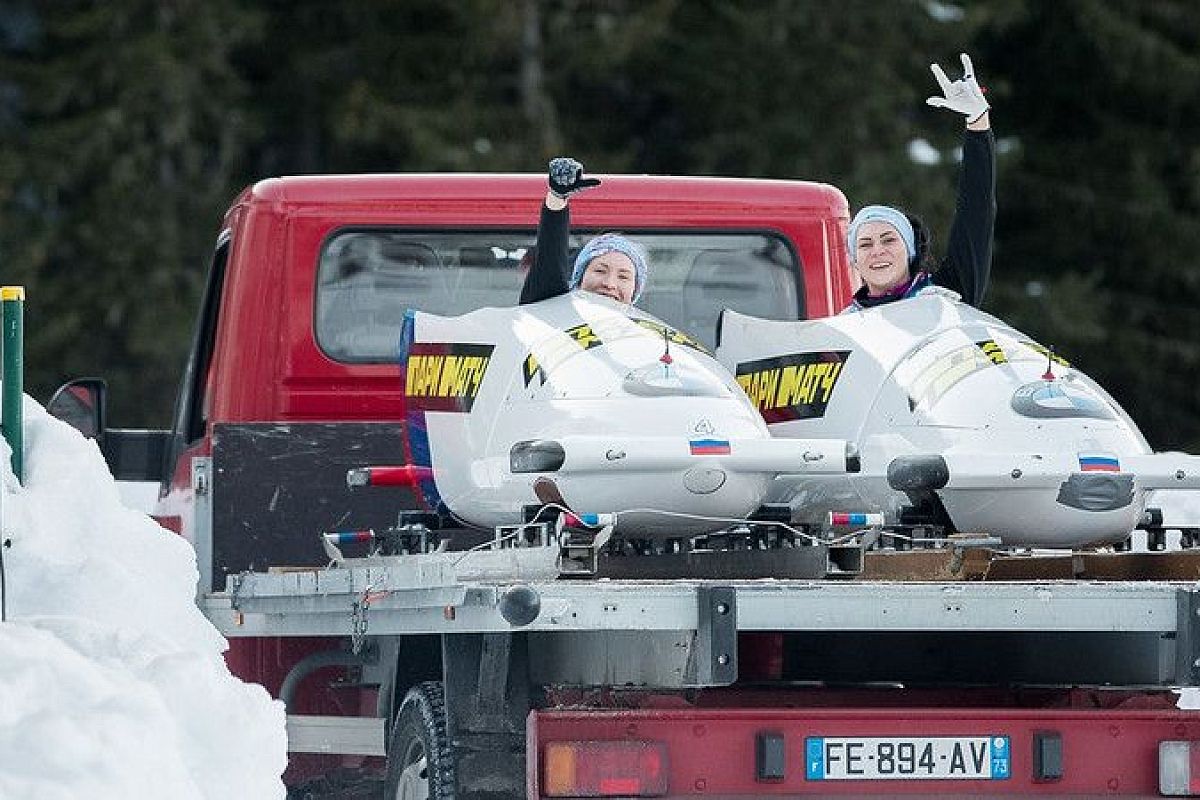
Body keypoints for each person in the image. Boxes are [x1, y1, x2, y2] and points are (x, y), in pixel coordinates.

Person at [844, 53, 996, 312]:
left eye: (889, 240)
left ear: (911, 250)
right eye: (865, 244)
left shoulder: (947, 293)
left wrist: (978, 124)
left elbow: (977, 211)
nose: (877, 251)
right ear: (855, 261)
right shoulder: (844, 329)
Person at [518, 157, 649, 306]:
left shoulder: (644, 329)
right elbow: (549, 267)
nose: (610, 284)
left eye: (623, 277)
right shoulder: (555, 314)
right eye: (600, 271)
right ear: (579, 277)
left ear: (635, 289)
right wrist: (557, 198)